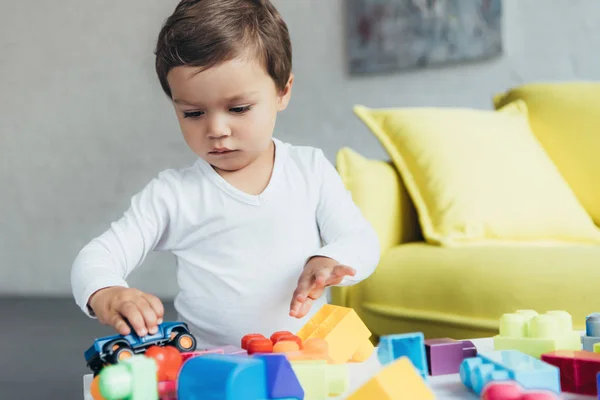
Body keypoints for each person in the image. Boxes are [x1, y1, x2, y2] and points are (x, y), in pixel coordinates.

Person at [71, 0, 380, 349]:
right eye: (193, 113)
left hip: (307, 360)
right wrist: (107, 292)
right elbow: (96, 257)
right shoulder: (174, 195)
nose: (216, 129)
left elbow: (362, 241)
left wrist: (329, 259)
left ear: (283, 91)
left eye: (238, 108)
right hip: (212, 368)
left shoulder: (309, 170)